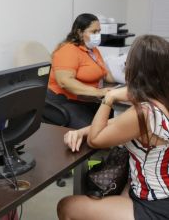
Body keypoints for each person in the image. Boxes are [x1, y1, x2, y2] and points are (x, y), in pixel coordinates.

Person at [58, 35, 169, 220]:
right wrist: (80, 131)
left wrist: (109, 98)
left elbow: (96, 140)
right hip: (156, 192)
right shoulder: (160, 101)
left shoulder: (144, 113)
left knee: (67, 207)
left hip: (154, 205)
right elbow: (116, 125)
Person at [47, 13, 115, 128]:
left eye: (99, 31)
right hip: (63, 100)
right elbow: (64, 82)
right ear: (79, 32)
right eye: (93, 32)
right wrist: (99, 92)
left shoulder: (93, 50)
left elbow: (106, 74)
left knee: (109, 115)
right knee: (91, 130)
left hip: (85, 98)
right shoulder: (67, 50)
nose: (97, 35)